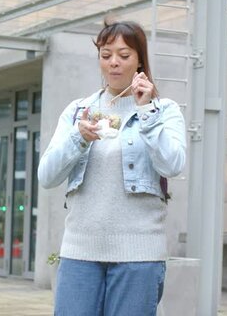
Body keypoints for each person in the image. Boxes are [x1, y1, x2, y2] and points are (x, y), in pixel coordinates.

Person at [38, 20, 187, 316]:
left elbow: (172, 164)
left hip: (139, 255)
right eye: (106, 56)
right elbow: (47, 176)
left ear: (139, 60)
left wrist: (146, 113)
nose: (114, 63)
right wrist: (77, 138)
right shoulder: (78, 112)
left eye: (124, 55)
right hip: (80, 252)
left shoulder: (164, 110)